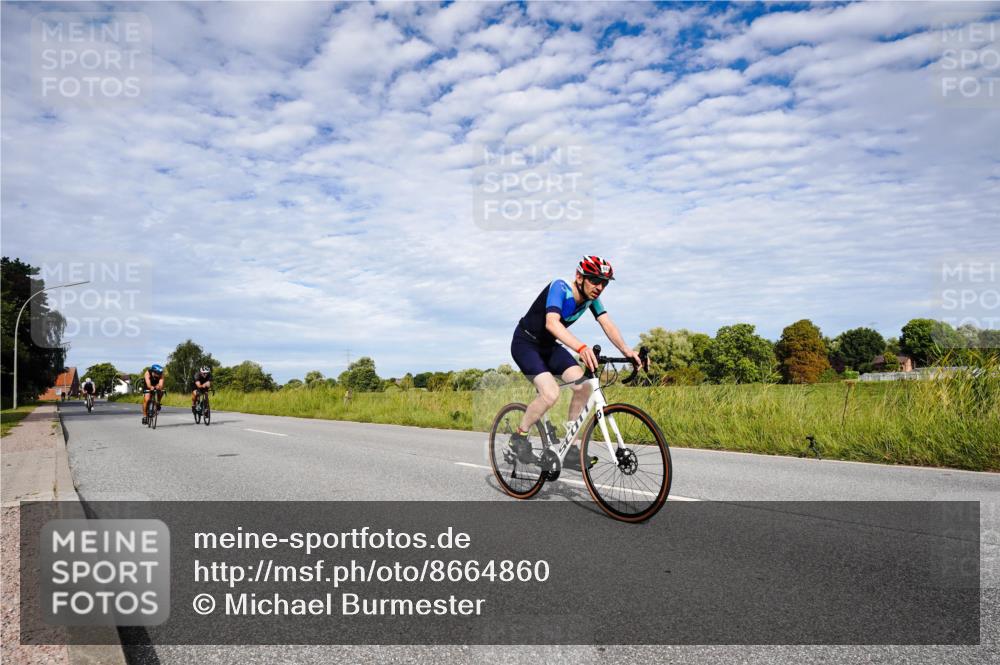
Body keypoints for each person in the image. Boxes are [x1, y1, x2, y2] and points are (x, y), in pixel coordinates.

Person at [508, 256, 642, 466]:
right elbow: (552, 323)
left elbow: (607, 324)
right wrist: (580, 347)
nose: (599, 287)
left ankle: (570, 447)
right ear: (579, 277)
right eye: (595, 280)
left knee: (584, 387)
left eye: (604, 283)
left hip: (549, 346)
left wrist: (627, 350)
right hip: (526, 343)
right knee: (550, 393)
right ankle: (519, 437)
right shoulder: (560, 287)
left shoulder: (592, 298)